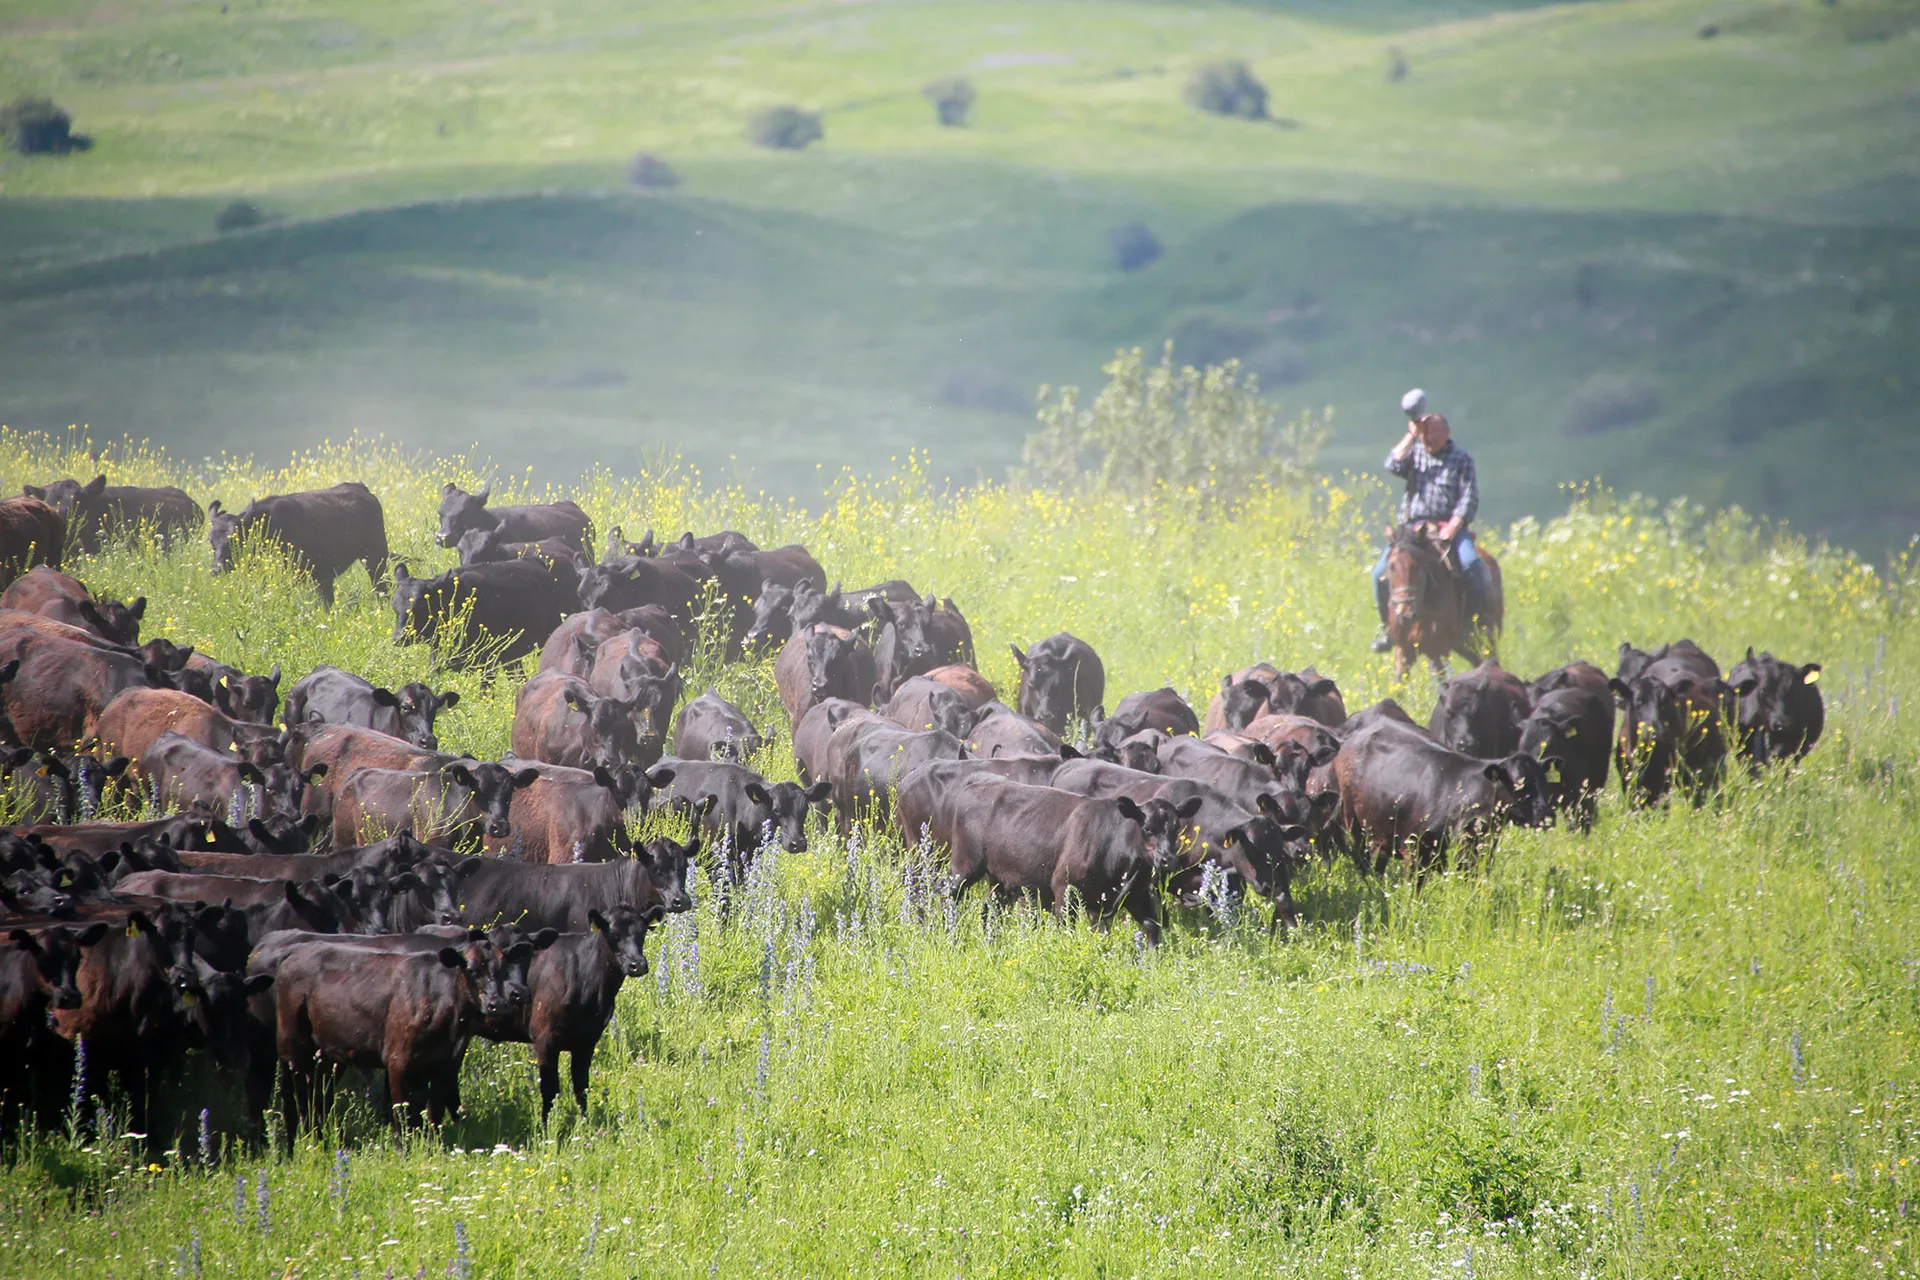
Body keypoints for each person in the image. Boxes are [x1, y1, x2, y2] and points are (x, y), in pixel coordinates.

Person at [1369, 389, 1489, 653]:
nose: (1428, 439)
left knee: (1472, 565)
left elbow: (1468, 498)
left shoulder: (1461, 459)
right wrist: (1410, 436)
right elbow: (1392, 464)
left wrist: (1454, 526)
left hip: (1448, 527)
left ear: (1446, 433)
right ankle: (1389, 630)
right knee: (1379, 574)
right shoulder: (1415, 453)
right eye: (1424, 434)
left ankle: (1474, 626)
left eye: (1432, 434)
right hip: (1413, 530)